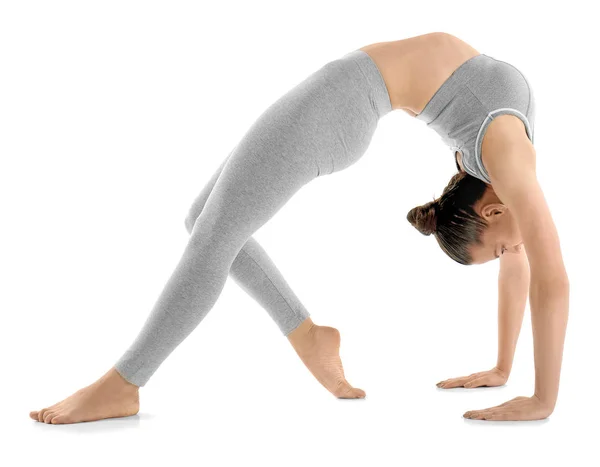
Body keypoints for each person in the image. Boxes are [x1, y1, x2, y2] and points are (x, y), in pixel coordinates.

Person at [29, 32, 569, 424]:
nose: (515, 251)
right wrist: (543, 399)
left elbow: (523, 269)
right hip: (339, 105)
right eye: (502, 251)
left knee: (210, 231)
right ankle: (139, 380)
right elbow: (550, 277)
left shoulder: (499, 165)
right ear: (491, 212)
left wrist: (503, 368)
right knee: (206, 227)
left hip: (341, 96)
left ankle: (141, 379)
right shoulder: (507, 158)